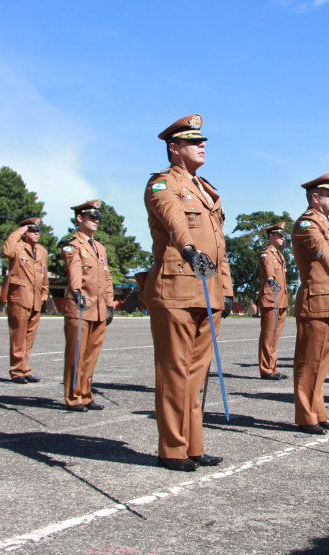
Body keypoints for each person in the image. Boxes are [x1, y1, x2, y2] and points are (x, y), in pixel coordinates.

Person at [142, 114, 229, 471]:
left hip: (209, 291)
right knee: (174, 372)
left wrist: (226, 288)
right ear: (174, 148)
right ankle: (172, 449)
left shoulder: (206, 189)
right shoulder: (162, 184)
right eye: (193, 141)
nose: (202, 145)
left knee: (197, 374)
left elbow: (220, 244)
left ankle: (194, 445)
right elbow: (174, 219)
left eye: (202, 140)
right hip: (176, 288)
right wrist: (189, 249)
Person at [291, 172, 329, 434]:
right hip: (317, 301)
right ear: (315, 197)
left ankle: (318, 412)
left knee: (324, 362)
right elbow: (321, 250)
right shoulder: (306, 223)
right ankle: (306, 416)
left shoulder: (327, 223)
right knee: (309, 362)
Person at [61, 200, 114, 411]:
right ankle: (73, 397)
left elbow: (106, 277)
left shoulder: (100, 247)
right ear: (79, 218)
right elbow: (74, 269)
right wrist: (76, 291)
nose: (96, 220)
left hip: (99, 309)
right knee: (76, 355)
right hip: (80, 306)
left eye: (97, 217)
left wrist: (109, 304)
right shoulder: (72, 245)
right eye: (91, 217)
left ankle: (85, 393)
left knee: (91, 355)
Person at [1, 217, 49, 383]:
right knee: (18, 337)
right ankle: (16, 371)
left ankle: (25, 368)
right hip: (20, 297)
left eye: (38, 231)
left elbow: (44, 274)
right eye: (32, 231)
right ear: (24, 232)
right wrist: (19, 232)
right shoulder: (17, 247)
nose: (36, 234)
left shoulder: (42, 251)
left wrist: (44, 294)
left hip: (36, 299)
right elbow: (6, 252)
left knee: (29, 339)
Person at [257, 222, 289, 380]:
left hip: (281, 300)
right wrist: (270, 278)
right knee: (268, 335)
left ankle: (273, 367)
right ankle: (266, 369)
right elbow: (269, 270)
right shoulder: (266, 254)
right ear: (271, 236)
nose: (283, 237)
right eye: (280, 235)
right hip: (271, 298)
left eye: (283, 235)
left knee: (275, 337)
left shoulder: (280, 255)